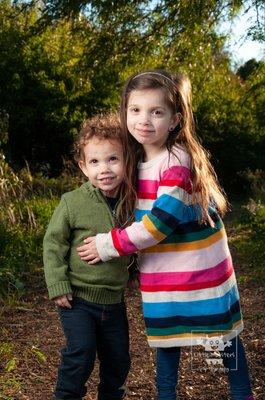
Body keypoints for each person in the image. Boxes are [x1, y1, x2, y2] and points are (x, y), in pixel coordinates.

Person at [77, 70, 254, 400]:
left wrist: (108, 244)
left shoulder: (177, 161)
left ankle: (243, 394)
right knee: (167, 342)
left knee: (220, 341)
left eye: (156, 112)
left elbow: (158, 225)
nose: (144, 120)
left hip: (200, 272)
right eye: (135, 110)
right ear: (125, 112)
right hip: (163, 275)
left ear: (174, 120)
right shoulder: (135, 161)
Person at [43, 114, 137, 400]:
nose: (104, 169)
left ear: (127, 160)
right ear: (83, 166)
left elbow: (137, 240)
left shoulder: (133, 200)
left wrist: (133, 273)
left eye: (112, 159)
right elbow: (53, 243)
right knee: (80, 353)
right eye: (94, 162)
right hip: (78, 300)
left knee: (118, 359)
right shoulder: (72, 202)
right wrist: (58, 284)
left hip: (114, 301)